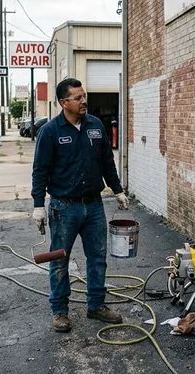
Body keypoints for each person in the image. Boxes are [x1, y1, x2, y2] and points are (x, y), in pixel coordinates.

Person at [31, 77, 129, 332]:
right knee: (60, 260)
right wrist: (38, 204)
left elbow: (107, 161)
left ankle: (96, 305)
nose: (84, 101)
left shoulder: (95, 125)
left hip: (94, 205)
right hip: (64, 208)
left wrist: (117, 190)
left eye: (84, 96)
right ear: (64, 102)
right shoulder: (50, 131)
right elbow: (40, 170)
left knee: (97, 257)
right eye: (77, 97)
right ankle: (60, 311)